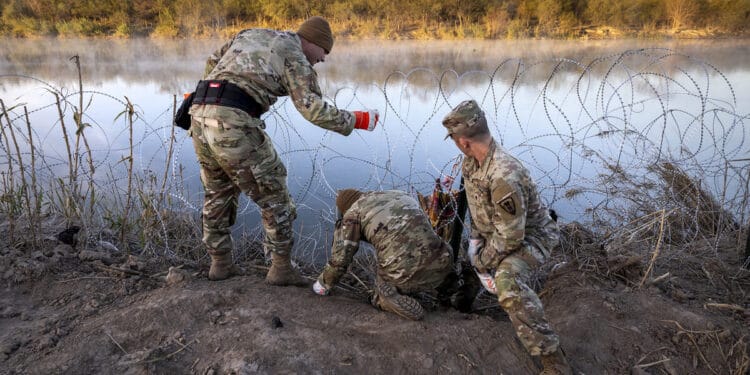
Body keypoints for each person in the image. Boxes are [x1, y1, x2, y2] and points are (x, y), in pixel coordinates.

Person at [188, 16, 379, 285]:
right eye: (324, 52)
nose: (322, 60)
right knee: (274, 195)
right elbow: (313, 109)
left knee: (217, 192)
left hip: (198, 115)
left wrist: (209, 95)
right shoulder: (294, 54)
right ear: (311, 42)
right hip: (233, 122)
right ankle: (280, 269)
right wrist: (358, 120)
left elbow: (213, 60)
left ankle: (220, 264)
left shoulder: (251, 33)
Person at [441, 100, 572, 375]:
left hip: (532, 237)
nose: (454, 144)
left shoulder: (504, 175)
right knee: (473, 256)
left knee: (507, 280)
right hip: (501, 231)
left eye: (453, 139)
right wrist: (476, 245)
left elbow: (512, 239)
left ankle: (554, 361)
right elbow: (479, 212)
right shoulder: (472, 163)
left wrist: (483, 259)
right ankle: (464, 301)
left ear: (464, 142)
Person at [312, 189, 478, 320]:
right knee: (436, 269)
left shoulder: (353, 214)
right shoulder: (397, 195)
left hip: (405, 271)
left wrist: (323, 284)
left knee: (379, 292)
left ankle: (387, 299)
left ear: (345, 208)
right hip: (442, 259)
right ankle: (454, 291)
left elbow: (341, 258)